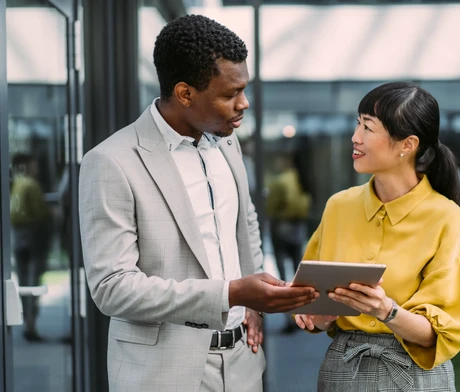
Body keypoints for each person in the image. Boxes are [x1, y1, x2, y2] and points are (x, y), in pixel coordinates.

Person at [78, 15, 317, 392]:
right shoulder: (111, 161)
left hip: (243, 363)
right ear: (185, 93)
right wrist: (232, 293)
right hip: (162, 373)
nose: (244, 103)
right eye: (229, 94)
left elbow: (246, 222)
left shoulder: (227, 141)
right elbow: (113, 287)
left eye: (244, 88)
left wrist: (251, 306)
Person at [294, 82, 460, 391]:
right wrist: (319, 316)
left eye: (368, 127)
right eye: (357, 123)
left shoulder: (446, 218)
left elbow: (441, 333)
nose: (355, 137)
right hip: (343, 369)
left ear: (407, 145)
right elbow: (312, 300)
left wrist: (386, 310)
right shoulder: (339, 207)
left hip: (415, 373)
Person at [265, 151, 312, 333]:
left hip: (282, 227)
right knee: (298, 273)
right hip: (298, 227)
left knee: (282, 274)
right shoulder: (303, 178)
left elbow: (271, 206)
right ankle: (302, 314)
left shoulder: (282, 181)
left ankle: (290, 318)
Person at [9, 153, 51, 342]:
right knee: (33, 281)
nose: (37, 168)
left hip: (18, 237)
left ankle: (27, 321)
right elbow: (41, 213)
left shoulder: (16, 185)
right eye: (34, 164)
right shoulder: (31, 186)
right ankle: (31, 324)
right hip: (33, 237)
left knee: (25, 279)